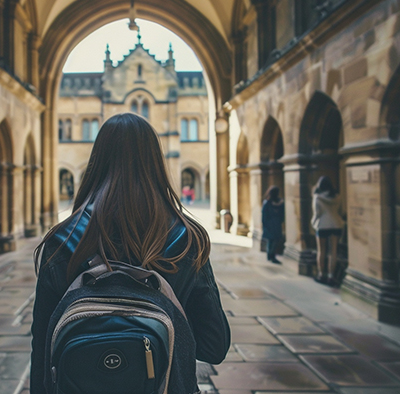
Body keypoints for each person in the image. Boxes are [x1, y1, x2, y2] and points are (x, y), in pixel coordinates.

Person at [30, 113, 230, 394]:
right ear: (156, 163)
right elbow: (214, 346)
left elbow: (42, 354)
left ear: (95, 162)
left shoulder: (61, 241)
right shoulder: (186, 240)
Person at [311, 176, 343, 287]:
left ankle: (321, 274)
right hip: (336, 225)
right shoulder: (337, 196)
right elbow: (340, 210)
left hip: (323, 225)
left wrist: (313, 222)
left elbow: (317, 213)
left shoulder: (317, 198)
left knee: (322, 251)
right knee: (333, 251)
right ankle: (331, 276)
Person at [261, 186, 284, 264]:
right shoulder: (268, 203)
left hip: (274, 224)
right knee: (272, 240)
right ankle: (271, 255)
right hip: (273, 224)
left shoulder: (275, 202)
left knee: (273, 240)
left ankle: (270, 254)